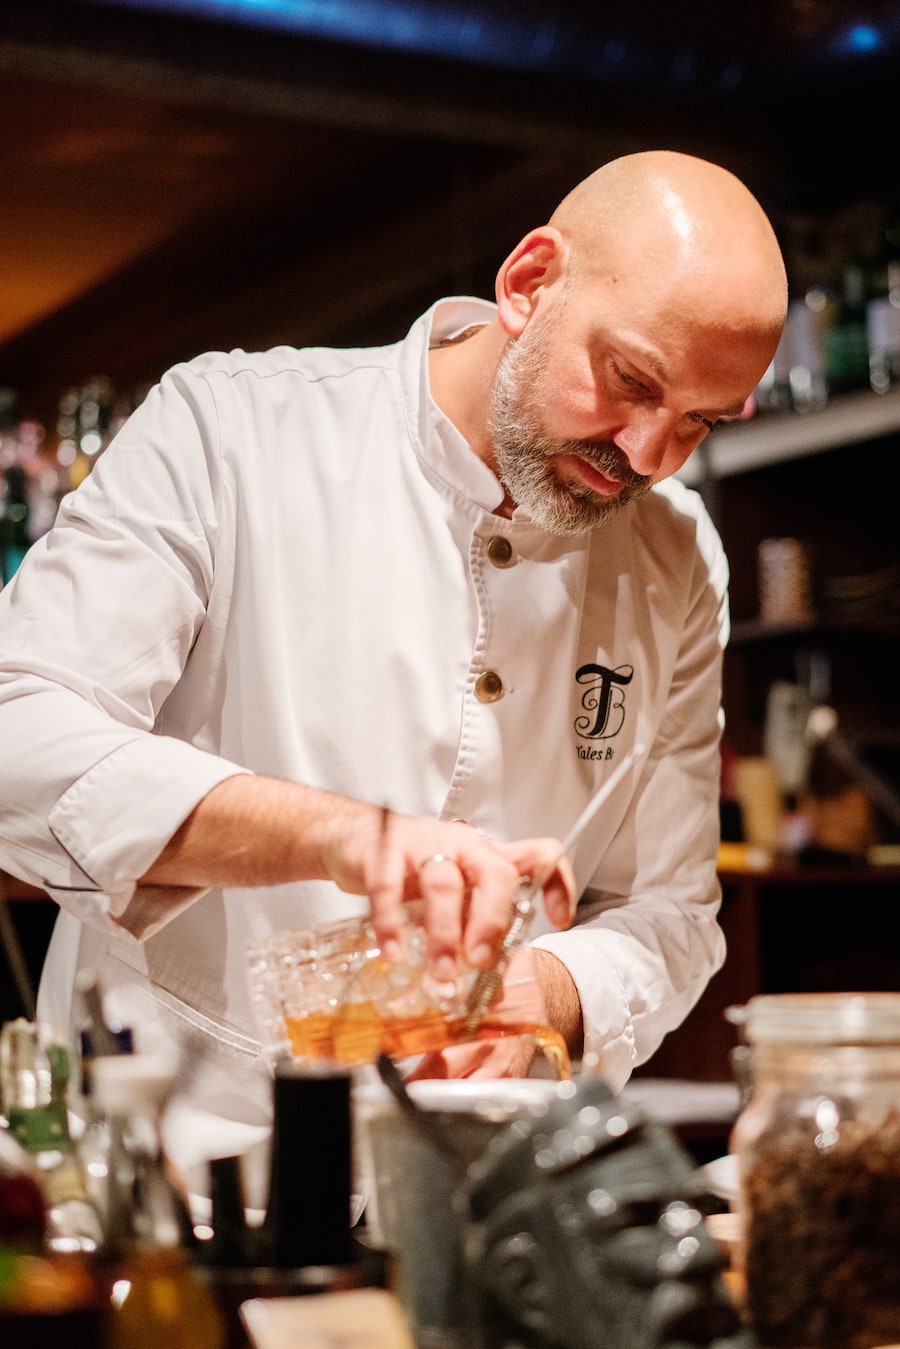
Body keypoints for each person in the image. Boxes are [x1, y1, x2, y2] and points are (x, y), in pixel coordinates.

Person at [0, 151, 786, 1189]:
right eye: (632, 381)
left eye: (698, 422)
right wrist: (345, 836)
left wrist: (538, 994)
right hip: (173, 1169)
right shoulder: (231, 428)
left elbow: (668, 913)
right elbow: (22, 728)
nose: (645, 452)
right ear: (529, 281)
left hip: (475, 1196)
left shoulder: (678, 557)